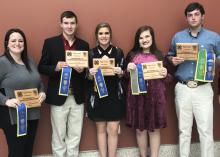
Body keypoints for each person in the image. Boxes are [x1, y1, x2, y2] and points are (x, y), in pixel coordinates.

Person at [167, 2, 220, 157]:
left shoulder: (214, 37)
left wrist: (212, 60)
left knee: (205, 130)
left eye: (196, 14)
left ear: (202, 17)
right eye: (190, 15)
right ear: (187, 18)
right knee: (184, 130)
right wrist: (172, 60)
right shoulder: (178, 37)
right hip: (183, 87)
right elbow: (170, 55)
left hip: (203, 88)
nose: (193, 18)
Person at [38, 11, 89, 157]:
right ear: (61, 24)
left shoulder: (83, 44)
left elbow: (88, 71)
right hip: (58, 96)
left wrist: (83, 70)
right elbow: (41, 67)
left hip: (77, 97)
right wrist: (55, 67)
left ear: (76, 25)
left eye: (72, 23)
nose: (69, 26)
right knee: (58, 135)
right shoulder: (50, 43)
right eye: (66, 23)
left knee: (75, 135)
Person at [125, 25, 171, 157]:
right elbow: (124, 77)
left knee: (155, 130)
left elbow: (169, 79)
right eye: (141, 38)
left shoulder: (160, 55)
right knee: (140, 131)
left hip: (156, 99)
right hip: (137, 99)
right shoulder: (132, 55)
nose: (144, 40)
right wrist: (127, 69)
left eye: (147, 36)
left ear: (152, 37)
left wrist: (165, 73)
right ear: (137, 40)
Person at [0, 28, 46, 157]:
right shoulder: (2, 63)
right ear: (7, 44)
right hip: (13, 116)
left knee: (27, 151)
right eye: (13, 40)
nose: (17, 43)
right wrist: (6, 101)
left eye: (20, 40)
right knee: (17, 152)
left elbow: (39, 83)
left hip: (32, 114)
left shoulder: (30, 61)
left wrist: (42, 92)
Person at [87, 22, 124, 157]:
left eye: (106, 33)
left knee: (113, 130)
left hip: (114, 96)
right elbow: (87, 78)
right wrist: (90, 73)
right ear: (96, 36)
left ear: (110, 35)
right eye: (101, 33)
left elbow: (123, 74)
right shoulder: (91, 53)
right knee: (101, 129)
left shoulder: (118, 52)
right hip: (98, 96)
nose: (104, 36)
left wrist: (120, 71)